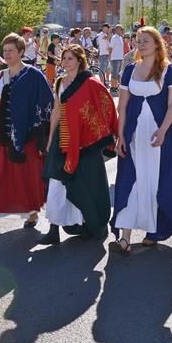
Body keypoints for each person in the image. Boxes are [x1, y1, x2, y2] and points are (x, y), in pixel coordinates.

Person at [0, 32, 54, 236]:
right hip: (4, 133)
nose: (6, 54)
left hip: (28, 134)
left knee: (28, 175)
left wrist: (43, 135)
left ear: (21, 52)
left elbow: (48, 103)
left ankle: (32, 212)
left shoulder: (34, 75)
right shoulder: (0, 76)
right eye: (5, 50)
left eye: (11, 50)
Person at [109, 26, 172, 255]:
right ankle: (125, 236)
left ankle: (154, 229)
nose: (140, 44)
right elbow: (122, 106)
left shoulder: (170, 70)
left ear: (157, 44)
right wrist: (120, 135)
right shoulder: (130, 69)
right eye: (138, 40)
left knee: (156, 181)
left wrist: (162, 131)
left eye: (145, 41)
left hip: (159, 135)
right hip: (133, 133)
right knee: (130, 179)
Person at [39, 44, 117, 246]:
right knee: (56, 183)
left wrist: (102, 133)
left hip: (85, 143)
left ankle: (87, 224)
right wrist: (50, 140)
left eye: (70, 59)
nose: (65, 62)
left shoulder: (91, 83)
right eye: (64, 59)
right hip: (63, 139)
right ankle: (53, 229)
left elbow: (106, 105)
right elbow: (56, 111)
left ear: (80, 61)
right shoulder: (59, 82)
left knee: (85, 185)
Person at [109, 24, 125, 93]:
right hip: (115, 58)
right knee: (114, 73)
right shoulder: (114, 38)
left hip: (120, 58)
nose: (122, 31)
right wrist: (110, 57)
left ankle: (115, 87)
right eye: (121, 29)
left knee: (118, 73)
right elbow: (110, 48)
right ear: (117, 30)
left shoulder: (120, 37)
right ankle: (112, 87)